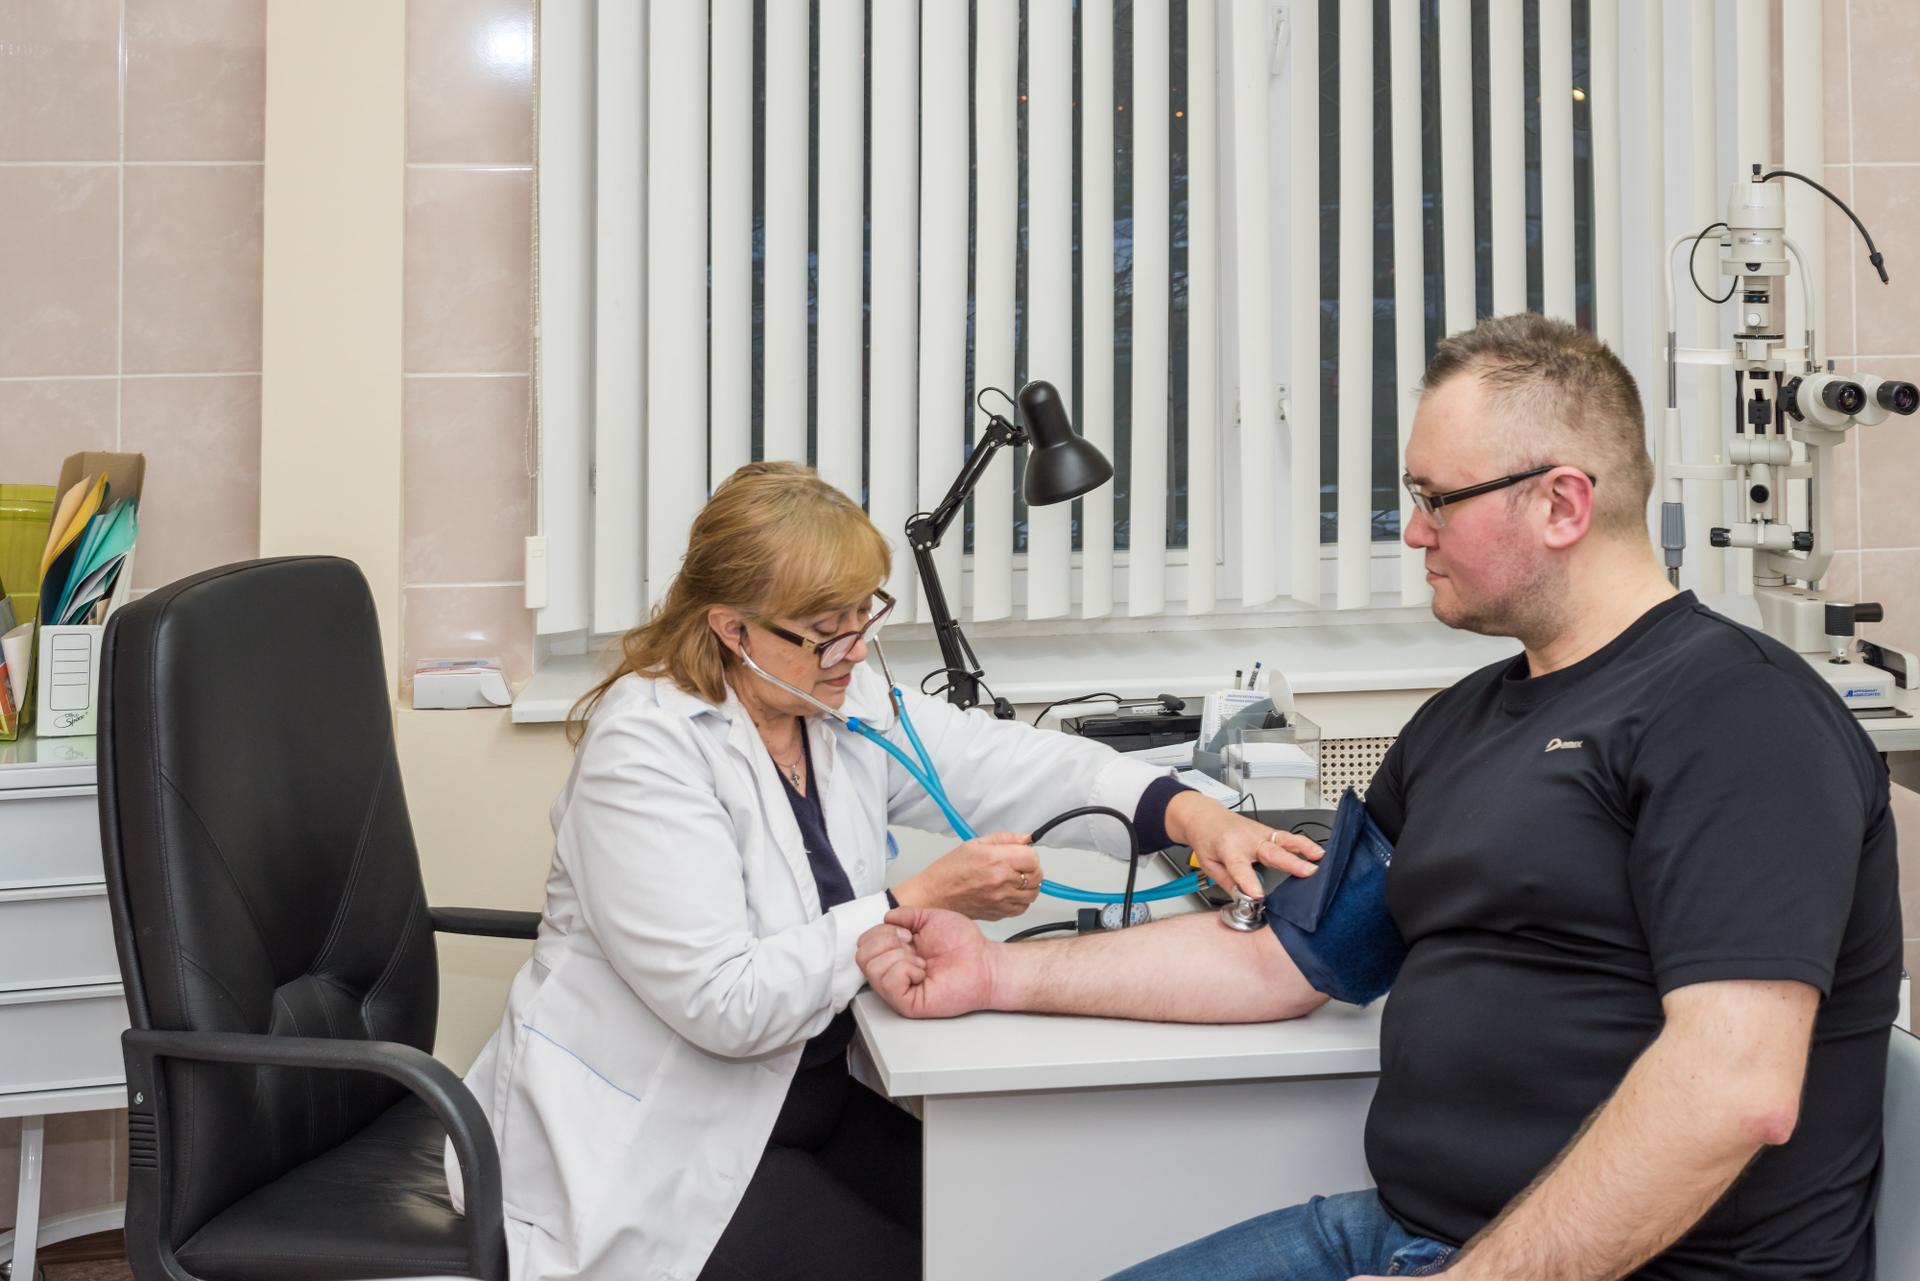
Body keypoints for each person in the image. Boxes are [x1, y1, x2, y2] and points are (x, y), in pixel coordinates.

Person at [858, 314, 1904, 1281]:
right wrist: (997, 972)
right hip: (1412, 1234)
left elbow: (1734, 1090)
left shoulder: (1738, 716)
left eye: (1437, 499)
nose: (1412, 532)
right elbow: (1282, 961)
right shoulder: (1461, 724)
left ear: (1562, 503)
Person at [446, 462, 1323, 1281]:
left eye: (862, 618)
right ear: (731, 627)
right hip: (657, 1146)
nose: (854, 652)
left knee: (1010, 1230)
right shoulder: (645, 750)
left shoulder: (832, 699)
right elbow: (725, 1002)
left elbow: (1003, 763)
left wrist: (1189, 812)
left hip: (806, 1100)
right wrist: (922, 896)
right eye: (823, 633)